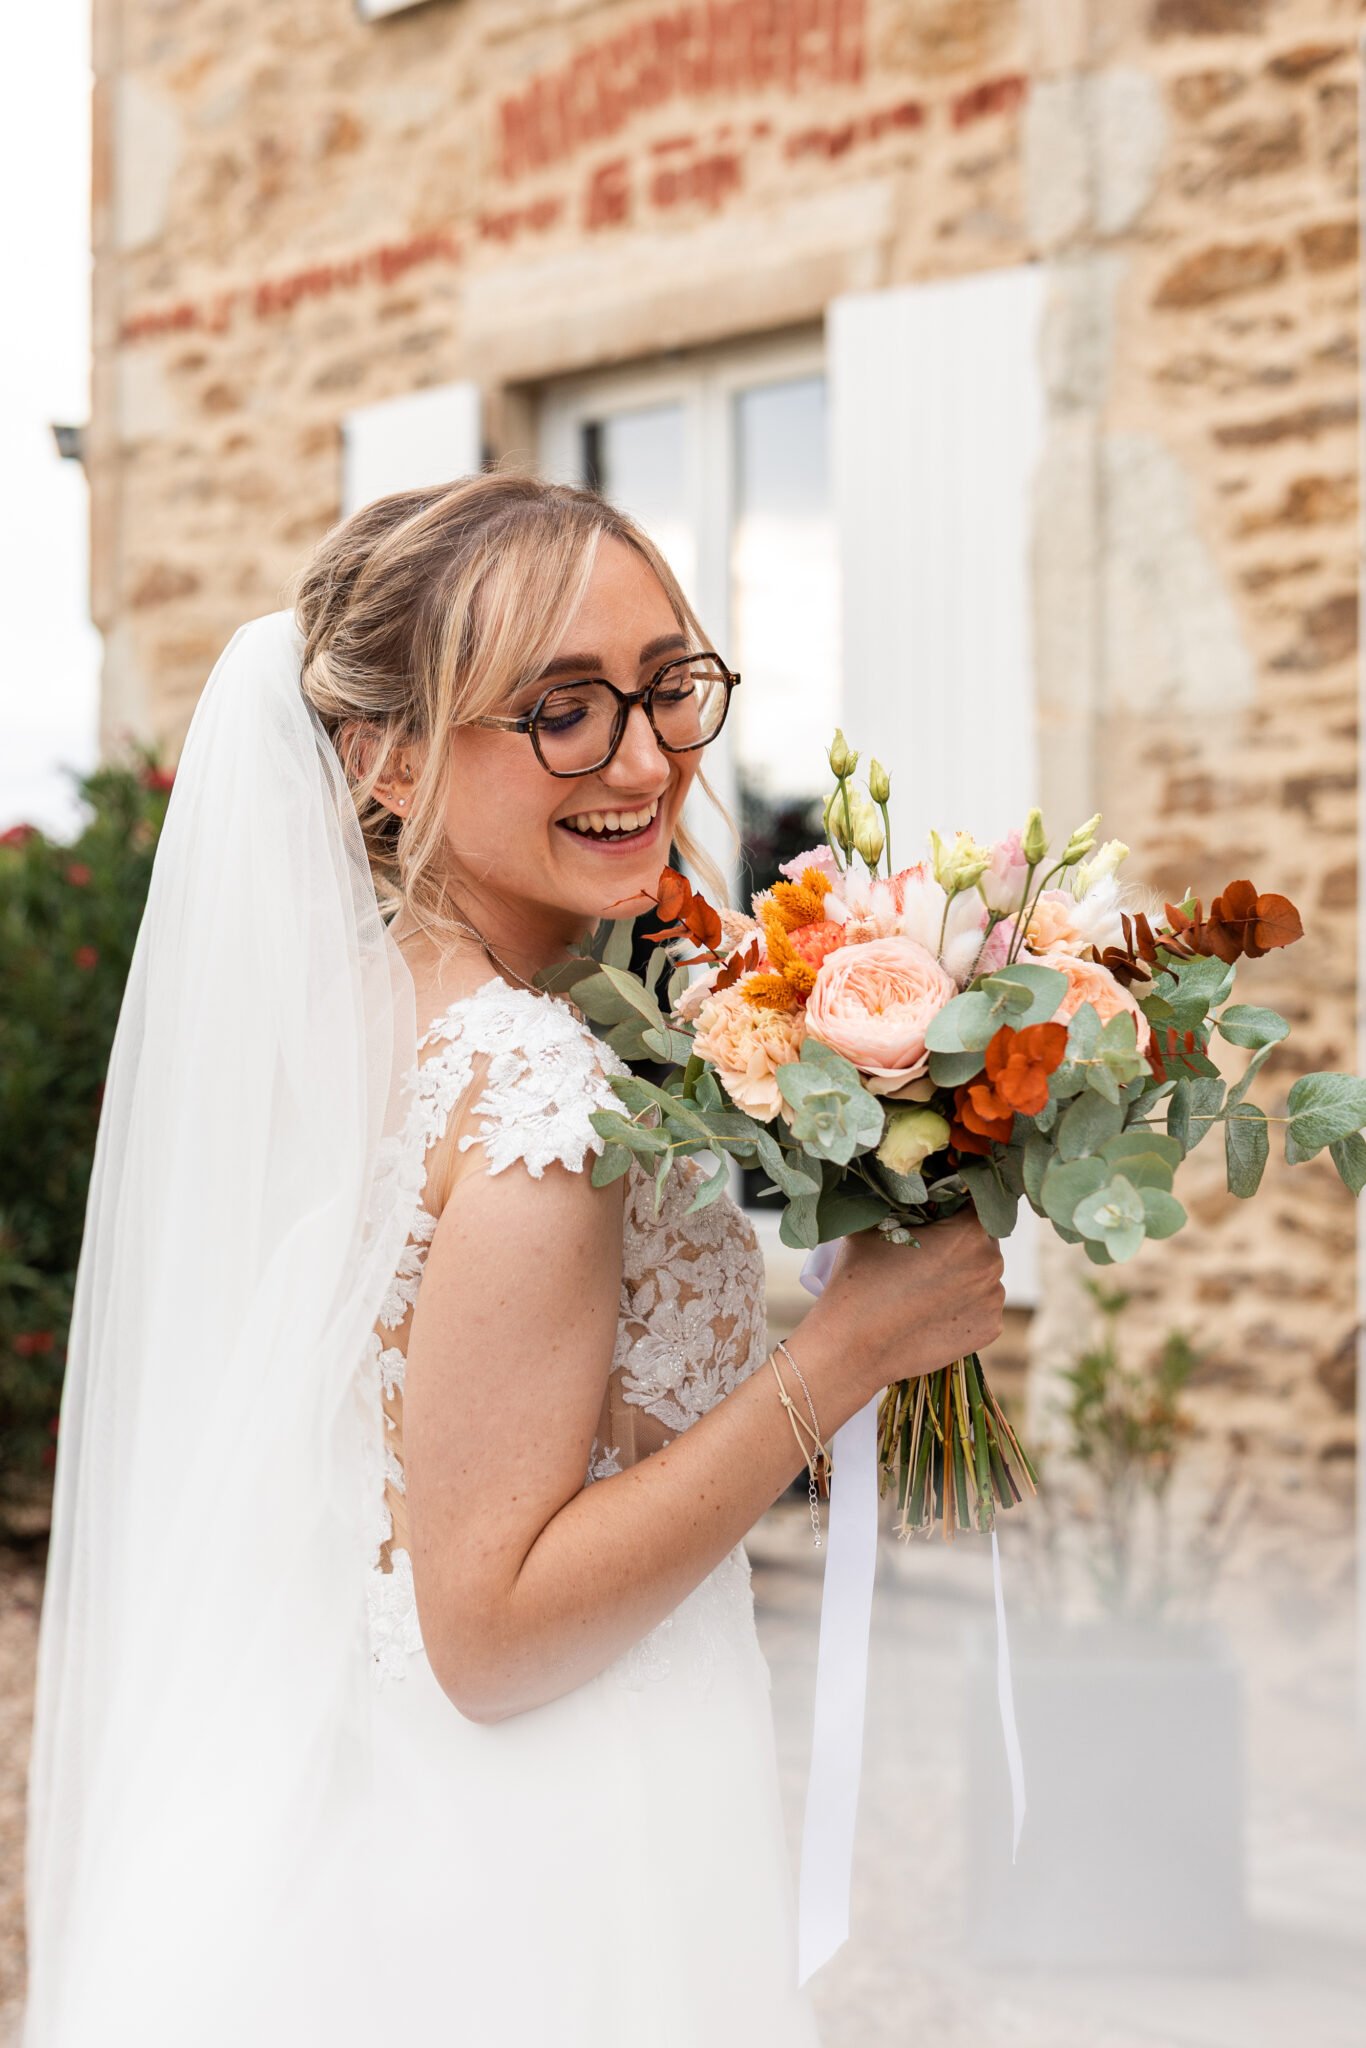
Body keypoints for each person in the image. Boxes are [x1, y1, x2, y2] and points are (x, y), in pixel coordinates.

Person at [22, 471, 1004, 2046]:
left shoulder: (351, 1018)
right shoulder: (541, 1107)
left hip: (354, 1811)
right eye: (559, 709)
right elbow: (488, 1629)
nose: (645, 758)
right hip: (539, 1850)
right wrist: (846, 1355)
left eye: (666, 686)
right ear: (386, 758)